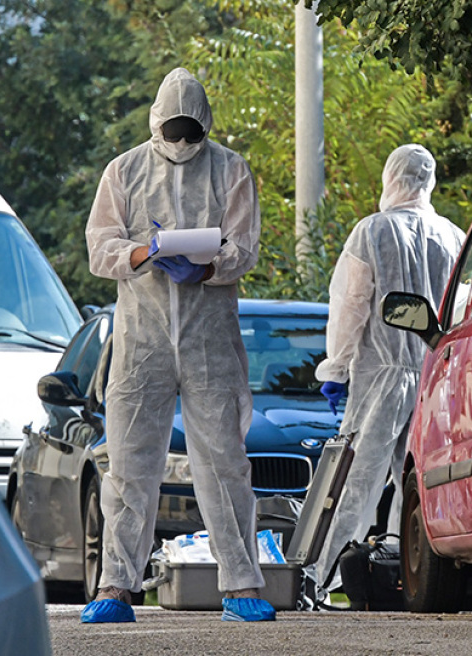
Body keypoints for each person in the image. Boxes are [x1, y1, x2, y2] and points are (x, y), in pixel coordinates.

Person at [82, 67, 273, 624]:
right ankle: (116, 588)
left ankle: (241, 585)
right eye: (175, 128)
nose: (183, 139)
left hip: (209, 340)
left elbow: (245, 247)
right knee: (129, 466)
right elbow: (99, 247)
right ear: (156, 123)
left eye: (192, 129)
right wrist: (145, 254)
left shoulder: (231, 169)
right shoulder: (124, 171)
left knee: (225, 464)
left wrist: (207, 265)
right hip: (141, 344)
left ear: (206, 125)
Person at [314, 144, 465, 594]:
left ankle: (321, 578)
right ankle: (412, 575)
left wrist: (335, 367)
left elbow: (350, 306)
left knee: (355, 480)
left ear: (389, 177)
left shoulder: (371, 234)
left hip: (379, 375)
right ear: (429, 181)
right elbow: (462, 309)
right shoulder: (454, 237)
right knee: (420, 482)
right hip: (435, 374)